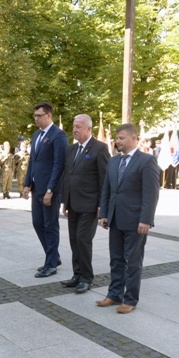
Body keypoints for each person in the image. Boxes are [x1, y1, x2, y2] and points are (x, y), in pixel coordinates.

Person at [97, 123, 161, 314]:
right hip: (115, 219)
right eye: (117, 138)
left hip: (136, 221)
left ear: (134, 139)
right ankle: (114, 294)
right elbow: (107, 189)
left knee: (132, 261)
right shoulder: (114, 161)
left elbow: (151, 193)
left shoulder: (146, 161)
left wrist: (146, 219)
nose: (118, 141)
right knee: (116, 259)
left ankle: (130, 299)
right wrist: (104, 214)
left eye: (122, 138)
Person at [61, 114, 110, 293]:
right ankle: (77, 274)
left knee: (83, 240)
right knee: (74, 240)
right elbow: (68, 177)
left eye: (79, 127)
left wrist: (101, 206)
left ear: (89, 129)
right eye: (74, 126)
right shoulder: (71, 150)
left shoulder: (100, 148)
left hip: (90, 205)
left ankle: (87, 278)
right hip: (73, 204)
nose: (75, 129)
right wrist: (64, 202)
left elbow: (105, 180)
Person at [22, 102, 68, 278]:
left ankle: (51, 264)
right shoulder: (36, 135)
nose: (36, 119)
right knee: (37, 223)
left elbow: (59, 165)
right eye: (34, 116)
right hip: (36, 188)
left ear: (49, 115)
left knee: (50, 225)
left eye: (39, 116)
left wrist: (51, 189)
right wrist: (27, 184)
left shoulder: (59, 136)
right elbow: (33, 161)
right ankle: (54, 256)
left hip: (50, 190)